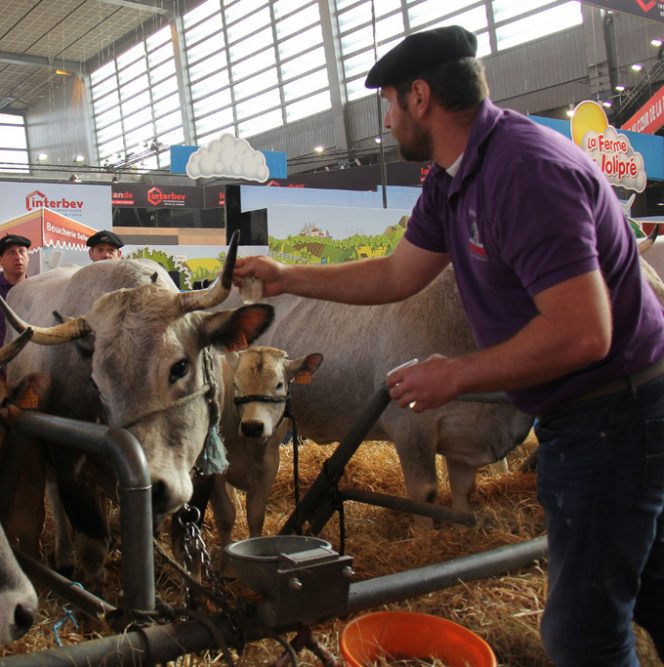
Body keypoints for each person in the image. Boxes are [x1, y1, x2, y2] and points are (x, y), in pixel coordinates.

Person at [234, 25, 664, 667]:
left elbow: (583, 330)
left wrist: (457, 375)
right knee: (651, 592)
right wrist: (290, 276)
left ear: (420, 96)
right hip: (589, 414)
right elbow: (398, 274)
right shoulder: (452, 177)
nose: (384, 121)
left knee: (582, 634)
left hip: (617, 414)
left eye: (386, 102)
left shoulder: (526, 172)